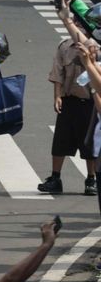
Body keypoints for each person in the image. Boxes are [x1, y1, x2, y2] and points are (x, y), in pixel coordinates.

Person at [38, 35, 99, 195]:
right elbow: (58, 72)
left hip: (90, 101)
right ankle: (55, 178)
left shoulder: (96, 46)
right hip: (68, 99)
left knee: (90, 144)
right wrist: (57, 96)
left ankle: (91, 179)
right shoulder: (64, 46)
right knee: (61, 140)